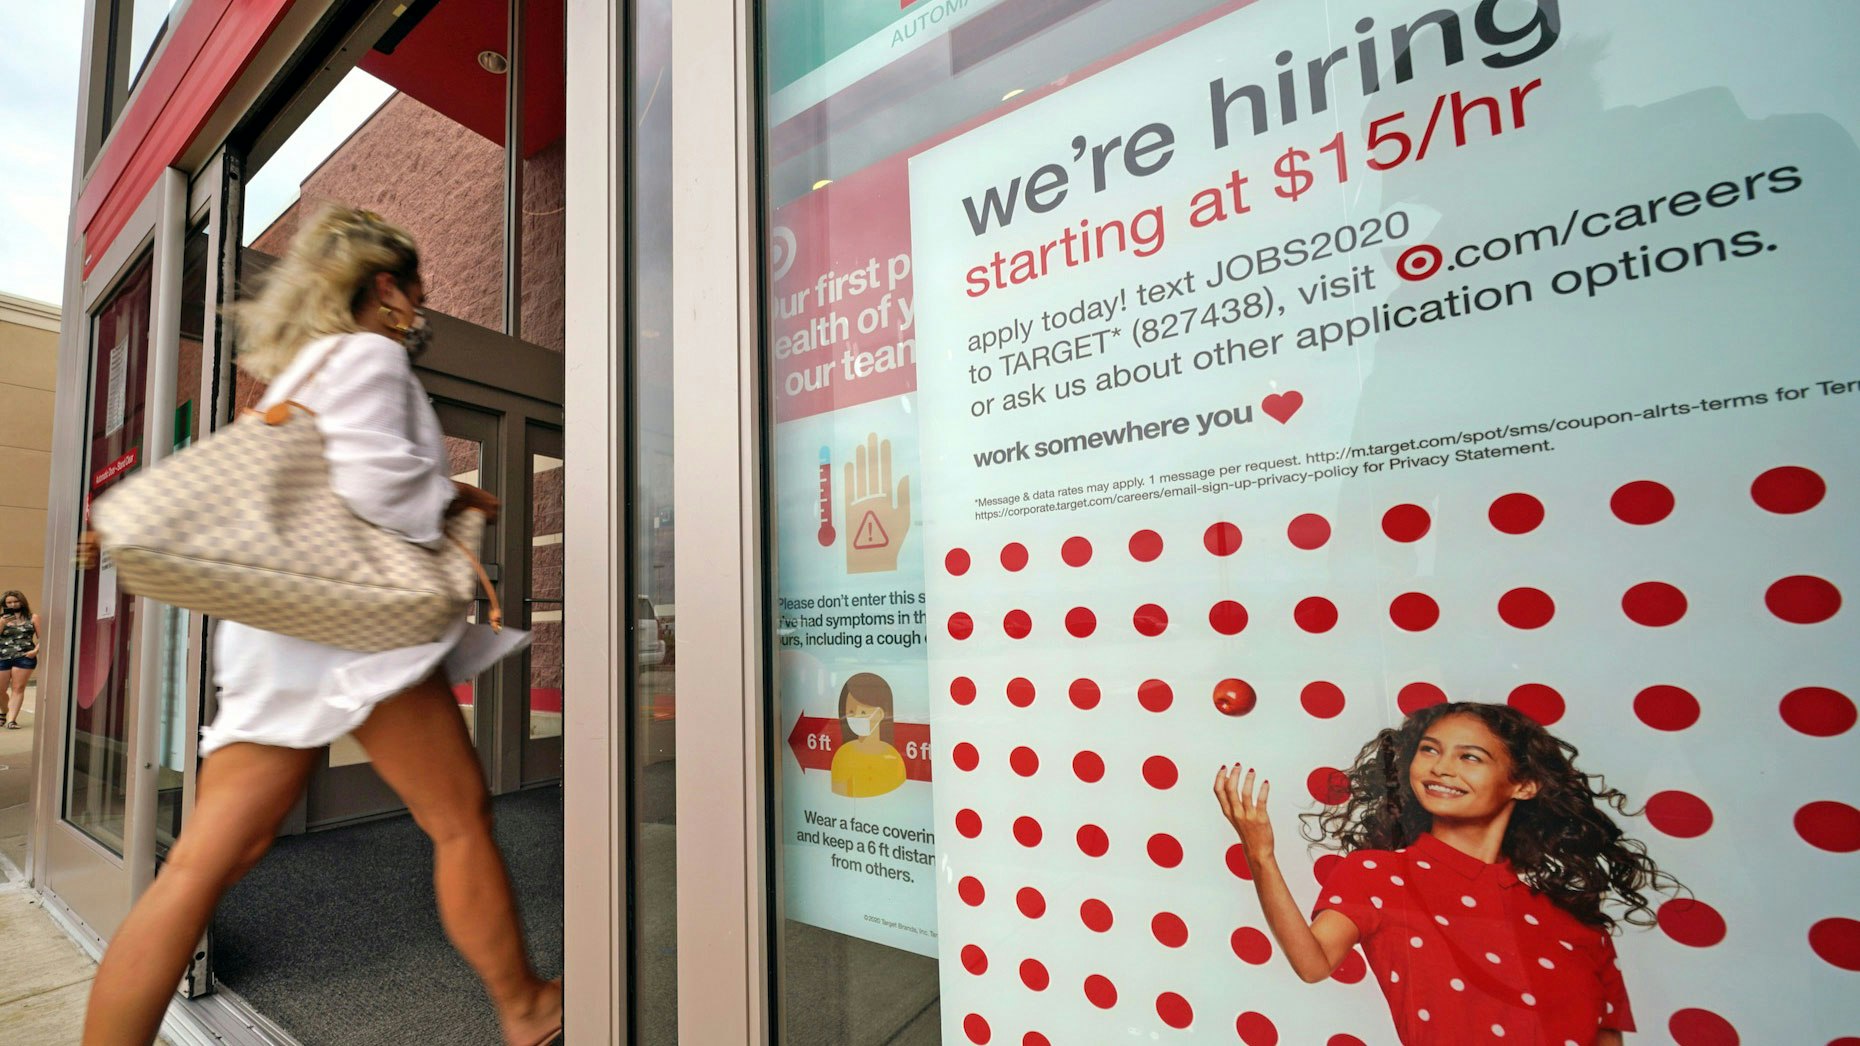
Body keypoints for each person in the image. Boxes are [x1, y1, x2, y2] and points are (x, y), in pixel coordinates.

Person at [81, 207, 561, 1046]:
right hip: (356, 634)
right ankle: (526, 1007)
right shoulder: (372, 357)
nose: (425, 302)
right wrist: (446, 496)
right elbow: (380, 494)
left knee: (199, 865)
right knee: (458, 819)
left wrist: (450, 495)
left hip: (278, 635)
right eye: (419, 288)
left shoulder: (306, 372)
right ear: (387, 290)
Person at [1213, 701, 1680, 1046]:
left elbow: (1606, 1036)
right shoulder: (1377, 874)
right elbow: (1313, 962)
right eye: (1430, 750)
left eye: (1469, 757)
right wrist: (1261, 855)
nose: (1440, 768)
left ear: (1523, 784)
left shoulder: (1571, 913)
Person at [830, 672, 907, 798]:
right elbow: (838, 796)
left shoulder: (893, 757)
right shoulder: (843, 755)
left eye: (863, 711)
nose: (855, 716)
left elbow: (899, 795)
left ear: (880, 714)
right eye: (850, 711)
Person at [0, 590, 39, 729]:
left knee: (18, 688)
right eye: (9, 602)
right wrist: (2, 623)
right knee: (1, 689)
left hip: (24, 657)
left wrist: (35, 651)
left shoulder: (33, 617)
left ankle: (11, 720)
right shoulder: (1, 618)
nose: (13, 604)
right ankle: (4, 711)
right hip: (2, 657)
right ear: (4, 604)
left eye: (16, 601)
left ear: (22, 602)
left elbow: (43, 637)